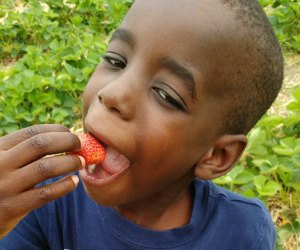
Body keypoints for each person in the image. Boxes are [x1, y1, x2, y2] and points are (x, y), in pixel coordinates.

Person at [0, 0, 283, 249]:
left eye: (166, 94)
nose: (113, 93)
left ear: (216, 155)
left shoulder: (242, 232)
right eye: (116, 60)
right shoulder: (46, 196)